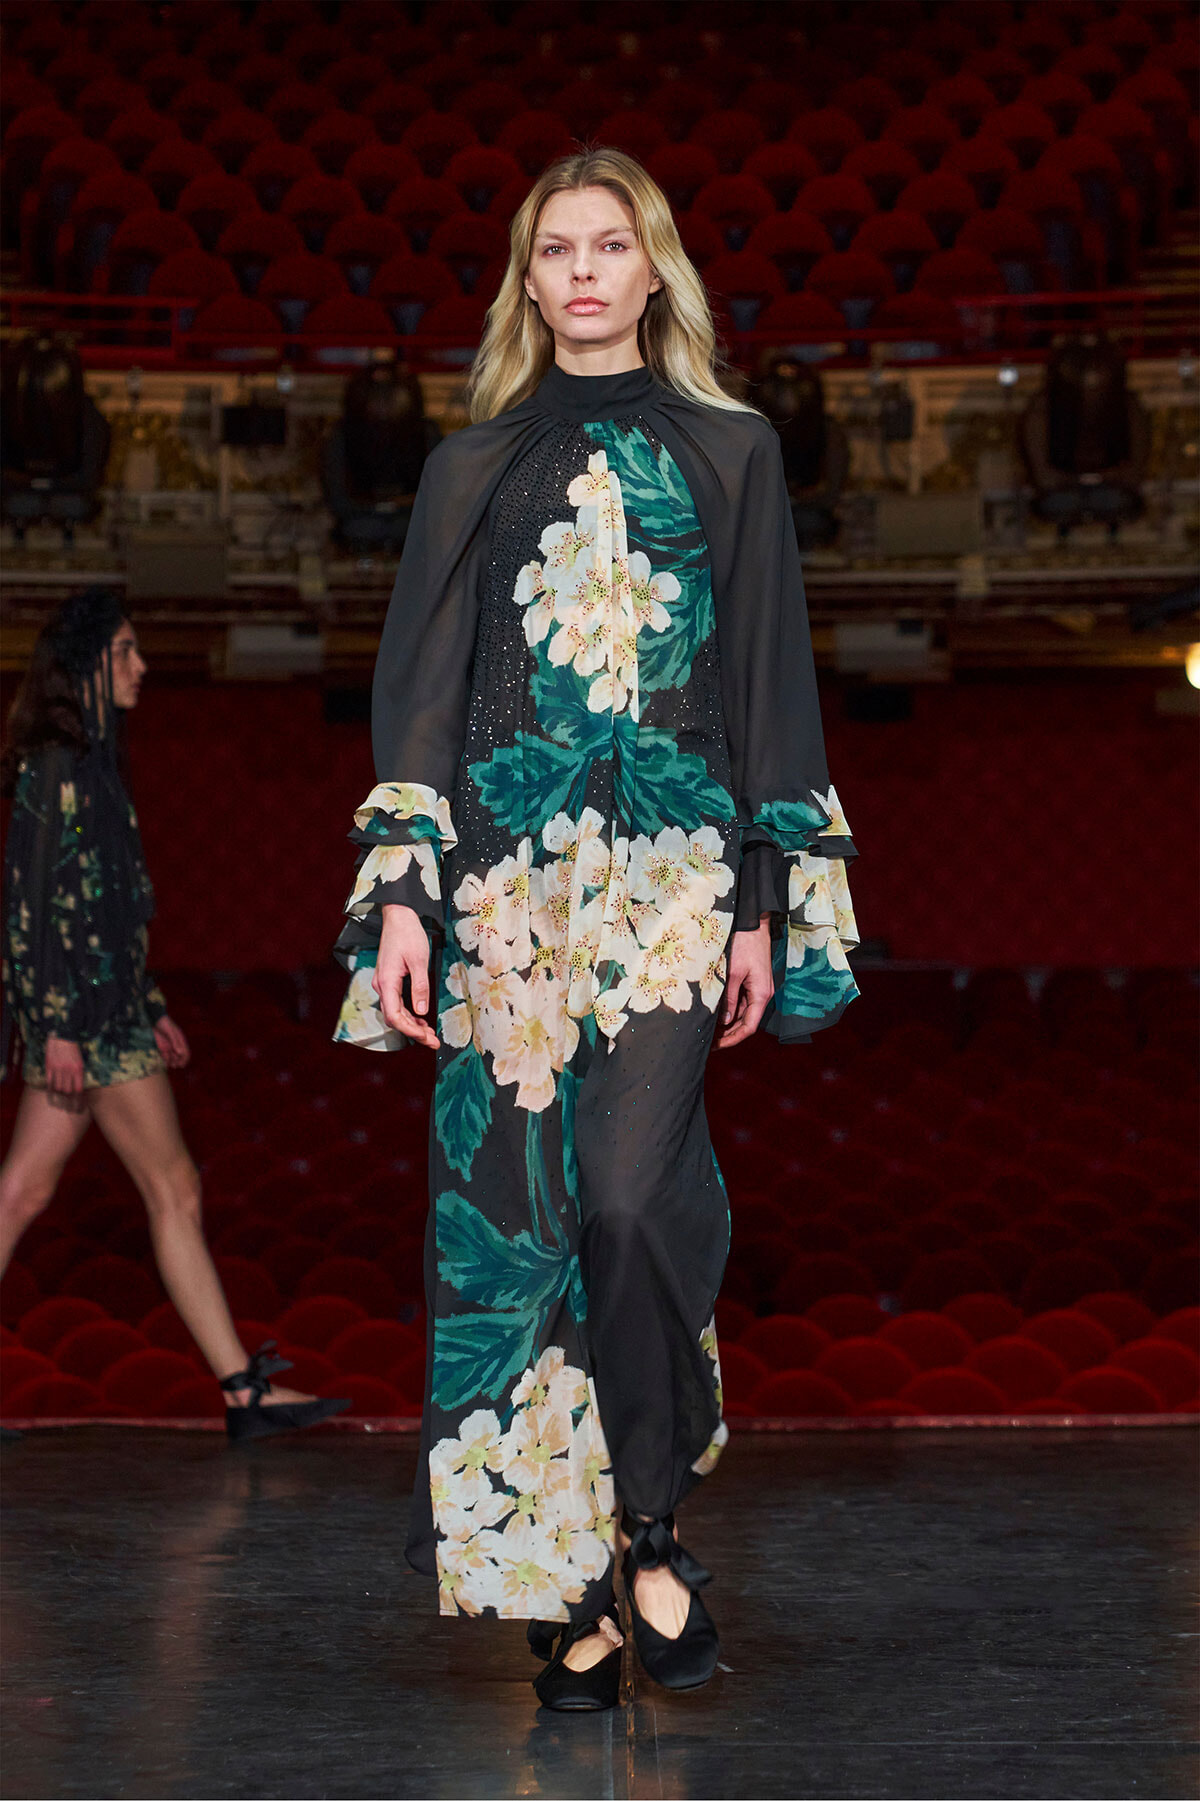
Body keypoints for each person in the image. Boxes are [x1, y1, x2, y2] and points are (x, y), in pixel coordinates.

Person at [333, 149, 859, 1710]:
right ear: (528, 280)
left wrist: (769, 902)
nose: (579, 269)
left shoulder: (732, 452)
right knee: (520, 1237)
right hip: (502, 900)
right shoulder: (467, 467)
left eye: (607, 244)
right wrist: (410, 899)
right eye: (552, 248)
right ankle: (579, 1588)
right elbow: (419, 696)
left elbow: (769, 684)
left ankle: (642, 1525)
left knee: (628, 1207)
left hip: (674, 894)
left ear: (652, 271)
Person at [0, 588, 349, 1442]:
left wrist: (149, 1006)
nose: (142, 665)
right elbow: (27, 910)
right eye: (125, 651)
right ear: (87, 664)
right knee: (171, 1188)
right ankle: (241, 1391)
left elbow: (114, 911)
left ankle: (242, 1390)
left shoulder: (92, 763)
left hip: (106, 1015)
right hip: (84, 1022)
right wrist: (56, 1027)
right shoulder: (55, 766)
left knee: (24, 1190)